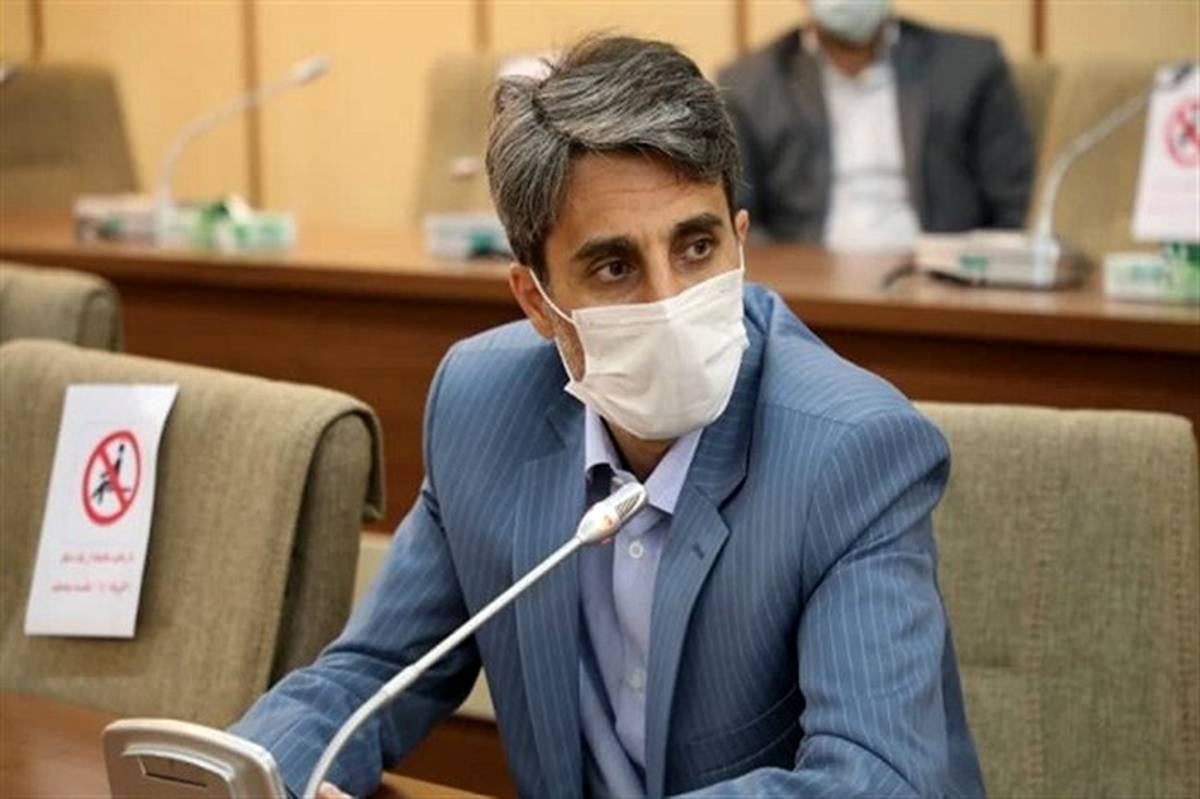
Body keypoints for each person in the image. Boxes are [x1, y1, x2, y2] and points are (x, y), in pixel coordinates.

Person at [231, 34, 985, 798]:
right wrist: (244, 777)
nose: (668, 300)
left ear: (740, 242)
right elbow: (371, 674)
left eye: (696, 247)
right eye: (615, 266)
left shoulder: (852, 451)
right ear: (536, 301)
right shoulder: (481, 405)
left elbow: (874, 780)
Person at [719, 0, 1034, 251]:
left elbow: (1012, 207)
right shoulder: (750, 85)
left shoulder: (969, 67)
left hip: (940, 283)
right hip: (808, 289)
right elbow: (737, 218)